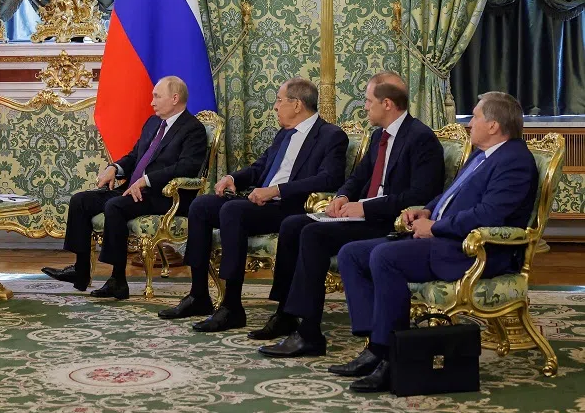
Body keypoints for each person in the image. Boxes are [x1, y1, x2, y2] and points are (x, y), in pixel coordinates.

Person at [333, 91, 537, 393]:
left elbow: (488, 214)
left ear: (494, 125)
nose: (470, 124)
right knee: (351, 254)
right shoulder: (484, 154)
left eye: (476, 117)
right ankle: (376, 348)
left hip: (474, 251)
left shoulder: (515, 161)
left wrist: (436, 227)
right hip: (445, 239)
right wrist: (426, 209)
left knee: (384, 257)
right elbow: (452, 193)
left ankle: (391, 359)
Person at [254, 71, 445, 357]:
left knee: (313, 233)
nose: (364, 106)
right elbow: (359, 177)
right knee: (294, 225)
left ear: (388, 104)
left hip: (388, 223)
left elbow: (419, 195)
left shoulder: (420, 139)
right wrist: (343, 196)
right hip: (363, 217)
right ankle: (286, 313)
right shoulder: (380, 135)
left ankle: (309, 334)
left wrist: (365, 207)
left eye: (369, 101)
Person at [159, 78, 348, 332]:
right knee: (201, 206)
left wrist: (276, 190)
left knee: (233, 210)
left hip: (292, 207)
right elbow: (261, 167)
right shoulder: (284, 135)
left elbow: (329, 178)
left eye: (280, 101)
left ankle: (231, 306)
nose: (275, 107)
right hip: (263, 203)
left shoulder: (331, 136)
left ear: (297, 104)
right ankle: (199, 295)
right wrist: (232, 178)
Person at [42, 76, 208, 300]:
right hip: (132, 188)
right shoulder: (152, 123)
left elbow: (187, 167)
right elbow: (134, 156)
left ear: (175, 98)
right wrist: (115, 168)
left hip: (165, 196)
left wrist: (147, 180)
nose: (152, 102)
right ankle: (80, 271)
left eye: (157, 96)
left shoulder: (193, 129)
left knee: (115, 206)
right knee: (81, 200)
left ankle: (117, 280)